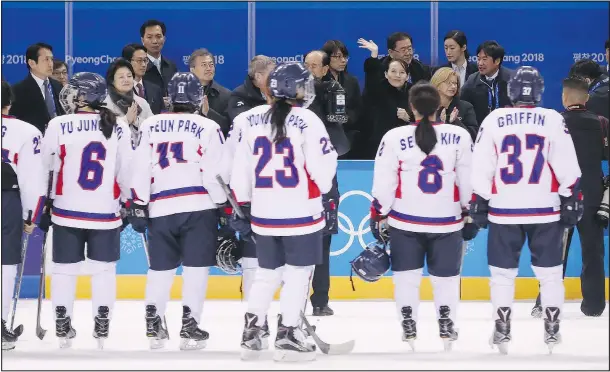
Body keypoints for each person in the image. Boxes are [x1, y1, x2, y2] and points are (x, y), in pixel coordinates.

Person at [229, 62, 338, 362]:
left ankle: (252, 332)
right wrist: (322, 188)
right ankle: (289, 332)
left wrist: (242, 205)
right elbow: (323, 171)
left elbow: (239, 169)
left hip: (263, 213)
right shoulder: (308, 119)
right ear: (295, 89)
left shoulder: (249, 119)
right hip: (300, 211)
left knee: (267, 273)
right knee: (298, 274)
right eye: (305, 84)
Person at [470, 66, 583, 354]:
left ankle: (502, 326)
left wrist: (481, 197)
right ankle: (552, 328)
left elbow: (481, 164)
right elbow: (568, 166)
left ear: (511, 90)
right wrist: (570, 195)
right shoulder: (552, 118)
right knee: (550, 275)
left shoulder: (495, 119)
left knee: (502, 275)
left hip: (504, 208)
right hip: (545, 208)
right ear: (540, 91)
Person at [368, 82, 474, 351]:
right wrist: (470, 213)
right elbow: (468, 181)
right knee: (447, 278)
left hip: (405, 221)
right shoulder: (459, 135)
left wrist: (379, 213)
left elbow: (384, 183)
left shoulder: (393, 137)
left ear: (412, 107)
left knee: (406, 277)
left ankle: (408, 322)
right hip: (447, 221)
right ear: (439, 105)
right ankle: (447, 322)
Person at [127, 72, 228, 351]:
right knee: (195, 269)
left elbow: (140, 168)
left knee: (160, 269)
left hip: (160, 207)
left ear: (169, 97)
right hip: (198, 207)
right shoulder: (207, 126)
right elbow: (214, 174)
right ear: (198, 96)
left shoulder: (151, 124)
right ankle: (189, 325)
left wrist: (139, 203)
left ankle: (154, 323)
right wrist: (223, 204)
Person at [40, 72, 133, 349]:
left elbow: (46, 165)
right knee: (103, 272)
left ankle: (62, 322)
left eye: (75, 91)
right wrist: (128, 203)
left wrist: (43, 203)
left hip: (66, 210)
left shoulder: (58, 124)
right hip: (105, 211)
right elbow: (125, 170)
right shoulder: (118, 125)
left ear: (84, 95)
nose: (70, 95)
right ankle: (102, 325)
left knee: (64, 271)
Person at [531, 76, 609, 317]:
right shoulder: (602, 123)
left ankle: (544, 303)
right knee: (593, 250)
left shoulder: (553, 124)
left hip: (562, 196)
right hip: (593, 195)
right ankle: (594, 305)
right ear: (587, 98)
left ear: (565, 98)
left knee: (555, 253)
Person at [1, 81, 46, 351]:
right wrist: (31, 216)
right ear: (9, 102)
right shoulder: (26, 131)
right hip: (6, 199)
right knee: (5, 264)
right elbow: (33, 180)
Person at [9, 42, 65, 134]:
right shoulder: (17, 91)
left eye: (51, 59)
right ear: (32, 63)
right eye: (46, 60)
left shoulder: (58, 86)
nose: (50, 64)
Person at [103, 58, 154, 149]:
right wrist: (126, 120)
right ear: (112, 81)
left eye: (129, 76)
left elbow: (154, 128)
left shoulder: (142, 102)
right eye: (121, 77)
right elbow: (103, 133)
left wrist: (136, 121)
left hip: (141, 155)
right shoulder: (105, 105)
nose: (126, 80)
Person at [461, 41, 515, 126]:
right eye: (478, 59)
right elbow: (462, 105)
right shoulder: (472, 81)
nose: (480, 63)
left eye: (484, 59)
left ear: (497, 61)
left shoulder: (512, 80)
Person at [188, 48, 232, 135]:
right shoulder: (182, 95)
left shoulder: (226, 95)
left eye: (211, 65)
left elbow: (230, 128)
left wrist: (208, 112)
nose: (209, 68)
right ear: (192, 70)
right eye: (204, 65)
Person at [430, 67, 478, 140]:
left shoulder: (466, 107)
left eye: (455, 83)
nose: (453, 86)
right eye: (448, 83)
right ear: (437, 85)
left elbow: (473, 136)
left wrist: (455, 122)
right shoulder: (428, 108)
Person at [227, 55, 276, 122]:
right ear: (258, 76)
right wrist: (268, 106)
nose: (275, 78)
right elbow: (242, 122)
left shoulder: (278, 93)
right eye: (271, 75)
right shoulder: (239, 95)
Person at [122, 43, 164, 115]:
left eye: (145, 60)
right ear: (127, 62)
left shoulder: (156, 89)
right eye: (139, 61)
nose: (144, 65)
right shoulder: (120, 90)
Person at [140, 19, 178, 94]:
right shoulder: (139, 67)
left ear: (164, 39)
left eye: (158, 36)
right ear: (142, 40)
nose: (154, 41)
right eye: (149, 37)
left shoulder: (171, 66)